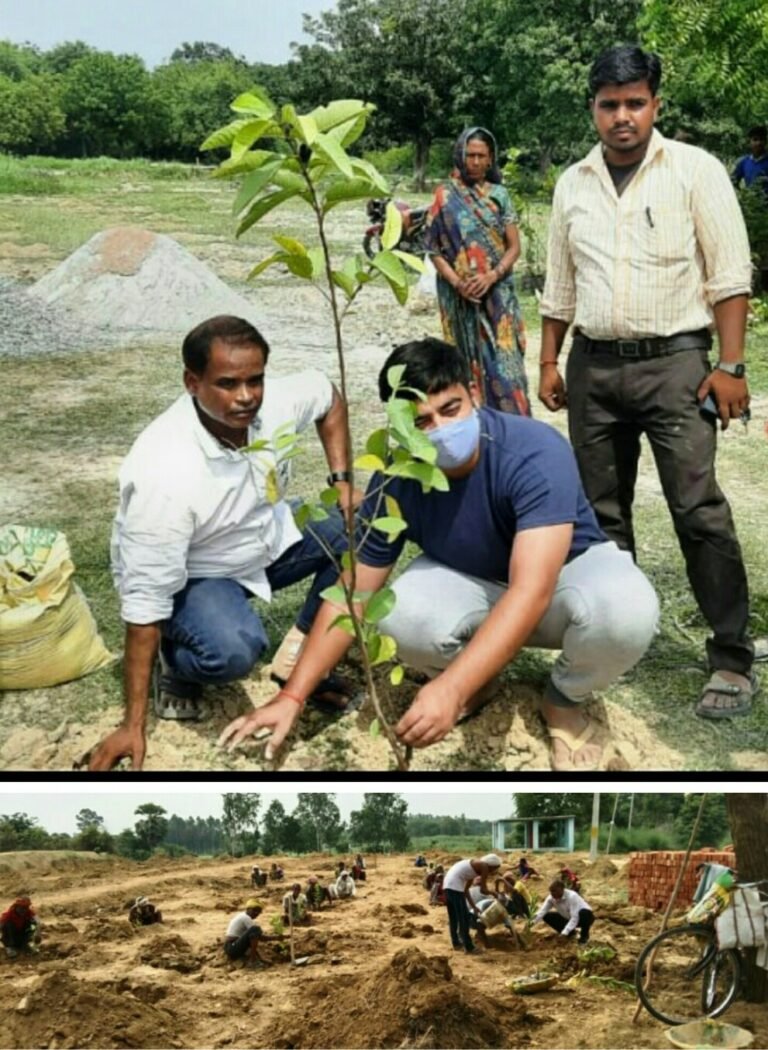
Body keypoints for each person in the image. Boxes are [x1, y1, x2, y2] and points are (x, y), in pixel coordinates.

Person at [220, 339, 659, 771]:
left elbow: (531, 590)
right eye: (420, 421)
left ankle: (564, 701)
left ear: (473, 394)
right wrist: (292, 696)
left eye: (450, 410)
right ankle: (480, 684)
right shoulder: (398, 475)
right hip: (474, 581)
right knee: (400, 614)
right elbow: (352, 592)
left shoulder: (533, 452)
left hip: (563, 579)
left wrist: (449, 688)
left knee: (625, 612)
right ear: (399, 427)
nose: (440, 429)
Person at [539, 45, 757, 719]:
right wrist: (548, 360)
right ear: (593, 109)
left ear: (656, 105)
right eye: (610, 105)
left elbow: (729, 275)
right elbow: (559, 284)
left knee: (697, 509)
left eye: (635, 103)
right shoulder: (573, 182)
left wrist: (729, 365)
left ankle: (730, 655)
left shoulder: (694, 171)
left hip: (678, 365)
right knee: (602, 518)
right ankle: (616, 639)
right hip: (594, 366)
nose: (623, 117)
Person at [88, 315, 362, 772]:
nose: (246, 397)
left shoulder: (269, 407)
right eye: (228, 383)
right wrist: (131, 725)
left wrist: (343, 482)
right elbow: (144, 605)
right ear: (192, 382)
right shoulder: (165, 472)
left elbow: (327, 396)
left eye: (255, 380)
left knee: (365, 529)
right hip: (195, 572)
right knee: (232, 651)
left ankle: (301, 659)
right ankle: (175, 668)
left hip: (264, 536)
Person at [424, 126, 530, 415]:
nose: (475, 162)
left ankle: (515, 431)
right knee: (465, 371)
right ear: (460, 155)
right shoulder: (445, 196)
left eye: (481, 156)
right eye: (469, 155)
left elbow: (514, 247)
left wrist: (492, 276)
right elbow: (433, 249)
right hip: (461, 302)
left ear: (491, 158)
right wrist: (459, 283)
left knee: (509, 375)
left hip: (498, 299)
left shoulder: (500, 195)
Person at [442, 854, 502, 954]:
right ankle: (469, 948)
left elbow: (466, 890)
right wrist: (494, 893)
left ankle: (456, 943)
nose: (492, 872)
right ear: (491, 865)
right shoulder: (484, 866)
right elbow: (483, 889)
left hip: (448, 886)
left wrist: (474, 907)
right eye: (494, 869)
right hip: (455, 888)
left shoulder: (473, 868)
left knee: (454, 918)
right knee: (464, 918)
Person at [531, 879, 594, 944]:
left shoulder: (572, 896)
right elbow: (542, 911)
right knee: (547, 915)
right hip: (568, 918)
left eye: (555, 891)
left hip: (582, 918)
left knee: (584, 913)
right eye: (551, 891)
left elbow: (575, 917)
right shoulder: (551, 898)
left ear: (562, 889)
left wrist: (564, 933)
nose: (552, 894)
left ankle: (584, 937)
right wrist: (531, 923)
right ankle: (571, 934)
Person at [223, 898, 266, 965]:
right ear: (248, 909)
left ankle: (256, 959)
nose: (256, 913)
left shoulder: (242, 915)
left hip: (231, 946)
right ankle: (253, 961)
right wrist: (279, 937)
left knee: (254, 932)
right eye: (254, 910)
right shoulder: (246, 918)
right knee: (255, 929)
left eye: (258, 911)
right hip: (232, 947)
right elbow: (261, 937)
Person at [732, 125, 768, 198]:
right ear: (750, 142)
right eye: (755, 139)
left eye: (761, 139)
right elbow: (733, 180)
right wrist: (743, 195)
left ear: (765, 141)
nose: (758, 143)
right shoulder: (744, 162)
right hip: (751, 205)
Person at [1, 894, 39, 958]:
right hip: (11, 937)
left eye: (26, 908)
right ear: (17, 906)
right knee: (7, 924)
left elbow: (38, 921)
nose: (24, 910)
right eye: (22, 908)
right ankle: (10, 947)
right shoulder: (9, 915)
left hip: (22, 936)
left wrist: (37, 933)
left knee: (32, 924)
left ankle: (27, 944)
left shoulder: (28, 913)